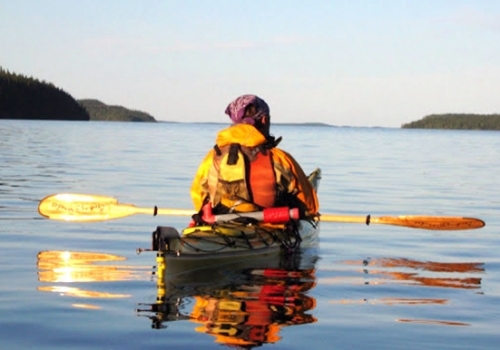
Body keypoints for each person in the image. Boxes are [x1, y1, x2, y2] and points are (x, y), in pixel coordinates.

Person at [190, 94, 319, 221]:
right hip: (271, 226)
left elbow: (199, 198)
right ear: (264, 120)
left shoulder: (212, 157)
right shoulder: (280, 158)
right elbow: (310, 207)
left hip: (220, 222)